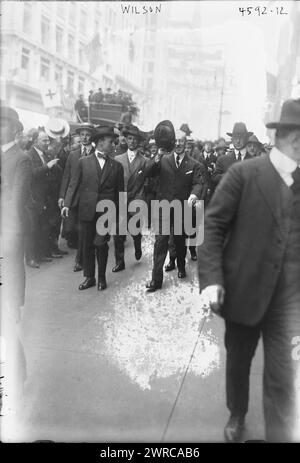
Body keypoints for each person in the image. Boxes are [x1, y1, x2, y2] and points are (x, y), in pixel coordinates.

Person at [197, 98, 300, 443]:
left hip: (289, 302)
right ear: (286, 137)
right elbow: (212, 227)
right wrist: (212, 280)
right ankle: (237, 413)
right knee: (239, 364)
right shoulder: (244, 174)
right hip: (244, 292)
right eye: (295, 135)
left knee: (283, 376)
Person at [62, 126, 124, 291]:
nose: (114, 144)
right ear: (101, 142)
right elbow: (73, 184)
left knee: (101, 244)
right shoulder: (83, 162)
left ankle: (101, 278)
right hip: (86, 210)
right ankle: (89, 277)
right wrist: (67, 204)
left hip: (106, 212)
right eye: (111, 142)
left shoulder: (117, 166)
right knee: (87, 245)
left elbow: (120, 193)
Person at [145, 126, 204, 292]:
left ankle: (181, 266)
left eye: (181, 141)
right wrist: (157, 156)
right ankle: (156, 280)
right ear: (172, 142)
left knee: (179, 241)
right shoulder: (163, 159)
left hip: (181, 209)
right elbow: (148, 172)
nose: (178, 144)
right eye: (176, 141)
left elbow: (198, 183)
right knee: (160, 242)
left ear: (186, 144)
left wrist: (194, 195)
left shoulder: (194, 164)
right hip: (163, 208)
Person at [0, 107, 32, 415]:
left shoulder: (20, 159)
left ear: (15, 128)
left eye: (4, 123)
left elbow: (15, 206)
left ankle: (16, 376)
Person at [113, 124, 150, 271]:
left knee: (134, 229)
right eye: (129, 138)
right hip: (121, 198)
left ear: (139, 141)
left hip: (137, 198)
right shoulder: (117, 159)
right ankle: (119, 262)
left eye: (135, 139)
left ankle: (137, 242)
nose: (132, 142)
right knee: (118, 232)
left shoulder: (144, 161)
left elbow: (148, 181)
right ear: (126, 140)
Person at [59, 123, 96, 271]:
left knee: (84, 231)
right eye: (82, 135)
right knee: (71, 229)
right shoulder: (73, 155)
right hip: (74, 198)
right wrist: (62, 196)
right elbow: (67, 177)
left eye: (87, 135)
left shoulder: (96, 153)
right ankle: (82, 256)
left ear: (91, 136)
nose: (84, 138)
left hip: (90, 199)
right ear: (79, 137)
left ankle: (80, 260)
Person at [27, 131, 60, 264]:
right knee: (33, 229)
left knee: (42, 228)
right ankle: (30, 258)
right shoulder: (29, 155)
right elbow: (31, 174)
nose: (47, 143)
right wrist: (47, 166)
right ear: (35, 141)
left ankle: (40, 255)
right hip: (34, 198)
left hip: (45, 197)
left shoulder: (45, 154)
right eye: (44, 141)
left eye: (48, 140)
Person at [211, 122, 253, 187]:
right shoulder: (222, 159)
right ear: (232, 140)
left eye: (241, 138)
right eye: (235, 138)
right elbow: (214, 178)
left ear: (247, 139)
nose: (238, 141)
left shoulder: (254, 160)